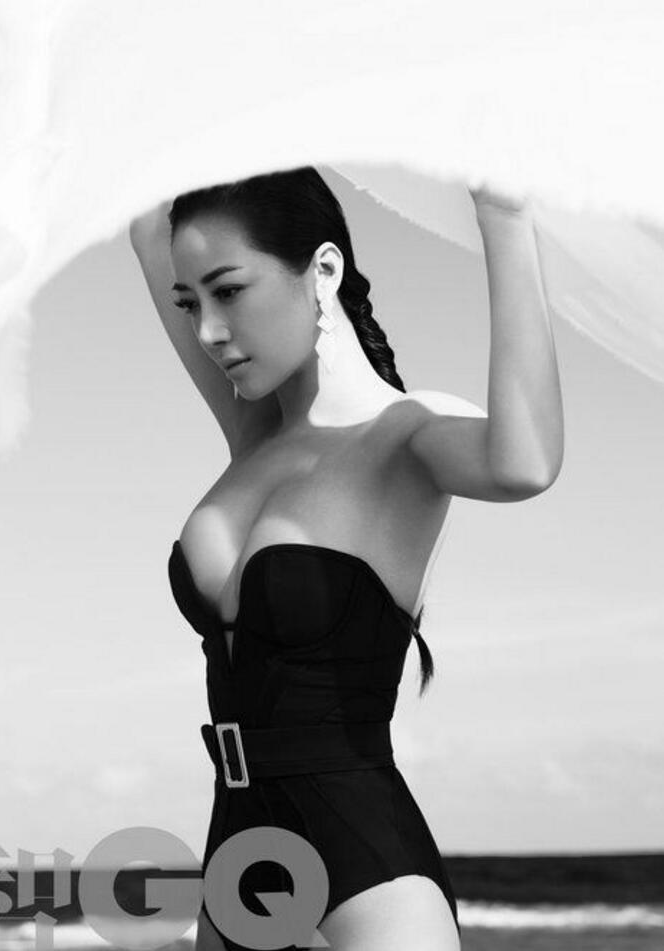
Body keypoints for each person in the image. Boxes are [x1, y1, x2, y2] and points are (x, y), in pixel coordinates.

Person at [129, 166, 563, 951]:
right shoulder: (256, 434)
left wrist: (503, 216)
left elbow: (523, 463)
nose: (209, 332)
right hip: (236, 856)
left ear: (323, 270)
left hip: (368, 875)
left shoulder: (405, 435)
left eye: (229, 291)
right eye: (190, 303)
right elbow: (145, 220)